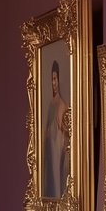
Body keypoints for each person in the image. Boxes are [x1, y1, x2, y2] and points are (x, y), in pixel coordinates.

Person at [42, 59, 70, 199]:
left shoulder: (62, 105)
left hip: (57, 153)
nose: (53, 83)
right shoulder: (51, 105)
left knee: (56, 181)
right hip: (49, 153)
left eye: (55, 78)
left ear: (59, 79)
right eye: (52, 79)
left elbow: (65, 133)